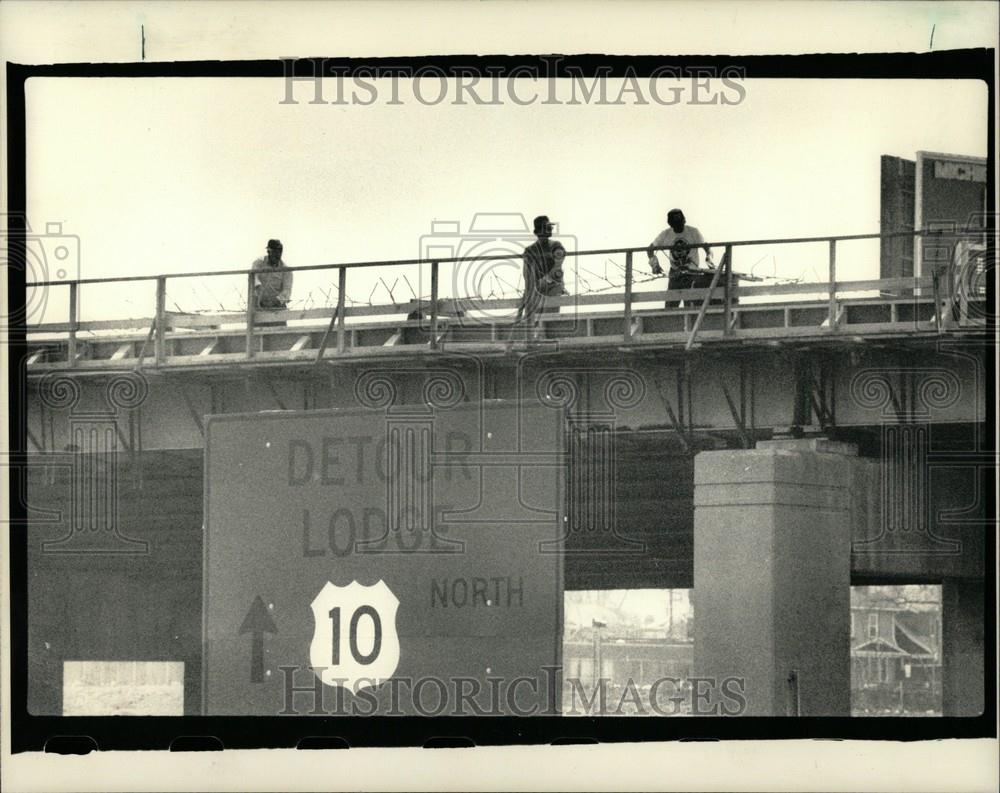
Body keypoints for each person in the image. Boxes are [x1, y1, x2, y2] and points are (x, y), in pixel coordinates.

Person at [647, 209, 713, 308]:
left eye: (680, 222)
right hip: (675, 274)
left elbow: (708, 248)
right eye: (676, 224)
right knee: (670, 307)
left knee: (690, 307)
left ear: (684, 221)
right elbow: (650, 249)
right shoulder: (666, 234)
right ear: (670, 224)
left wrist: (709, 257)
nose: (679, 226)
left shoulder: (693, 232)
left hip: (692, 273)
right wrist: (654, 263)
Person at [518, 215, 567, 331]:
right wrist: (531, 289)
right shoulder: (530, 250)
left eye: (550, 227)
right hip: (536, 289)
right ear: (537, 231)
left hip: (553, 287)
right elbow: (527, 274)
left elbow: (557, 269)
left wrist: (544, 281)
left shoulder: (556, 246)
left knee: (550, 320)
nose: (550, 230)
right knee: (533, 321)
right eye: (546, 227)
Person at [252, 239, 293, 311]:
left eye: (280, 252)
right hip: (259, 305)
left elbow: (287, 290)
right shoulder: (259, 263)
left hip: (277, 307)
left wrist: (276, 301)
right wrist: (259, 288)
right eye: (275, 252)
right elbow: (253, 278)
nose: (278, 255)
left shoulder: (286, 270)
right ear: (268, 251)